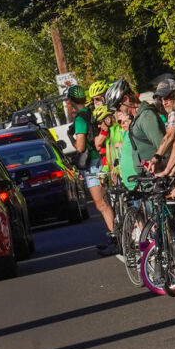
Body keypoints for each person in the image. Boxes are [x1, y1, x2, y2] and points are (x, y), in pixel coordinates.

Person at [67, 85, 117, 253]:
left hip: (93, 164)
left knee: (101, 203)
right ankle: (118, 233)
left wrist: (73, 141)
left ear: (71, 101)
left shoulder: (80, 119)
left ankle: (115, 236)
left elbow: (80, 146)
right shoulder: (90, 112)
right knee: (110, 200)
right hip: (103, 159)